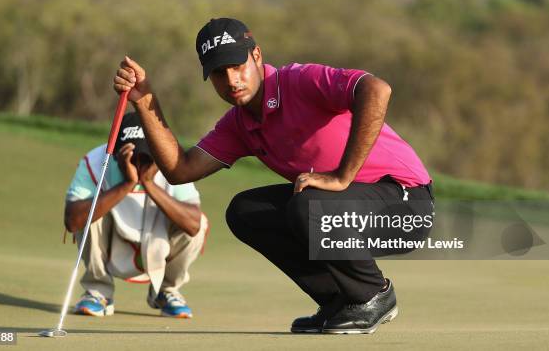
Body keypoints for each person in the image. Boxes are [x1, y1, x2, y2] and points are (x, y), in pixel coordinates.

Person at [112, 18, 434, 334]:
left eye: (238, 66)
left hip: (406, 204)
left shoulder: (300, 80)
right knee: (246, 212)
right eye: (219, 73)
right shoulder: (238, 124)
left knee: (308, 205)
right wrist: (144, 99)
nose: (232, 79)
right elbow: (180, 170)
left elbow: (376, 89)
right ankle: (341, 301)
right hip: (346, 209)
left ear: (256, 56)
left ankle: (373, 295)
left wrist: (342, 176)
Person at [64, 112, 206, 319]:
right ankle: (98, 291)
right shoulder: (95, 162)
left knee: (200, 223)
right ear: (116, 151)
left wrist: (148, 184)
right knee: (88, 214)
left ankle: (166, 291)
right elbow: (72, 221)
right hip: (110, 240)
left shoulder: (173, 162)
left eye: (146, 155)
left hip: (159, 241)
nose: (139, 163)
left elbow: (193, 224)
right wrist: (127, 184)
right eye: (133, 156)